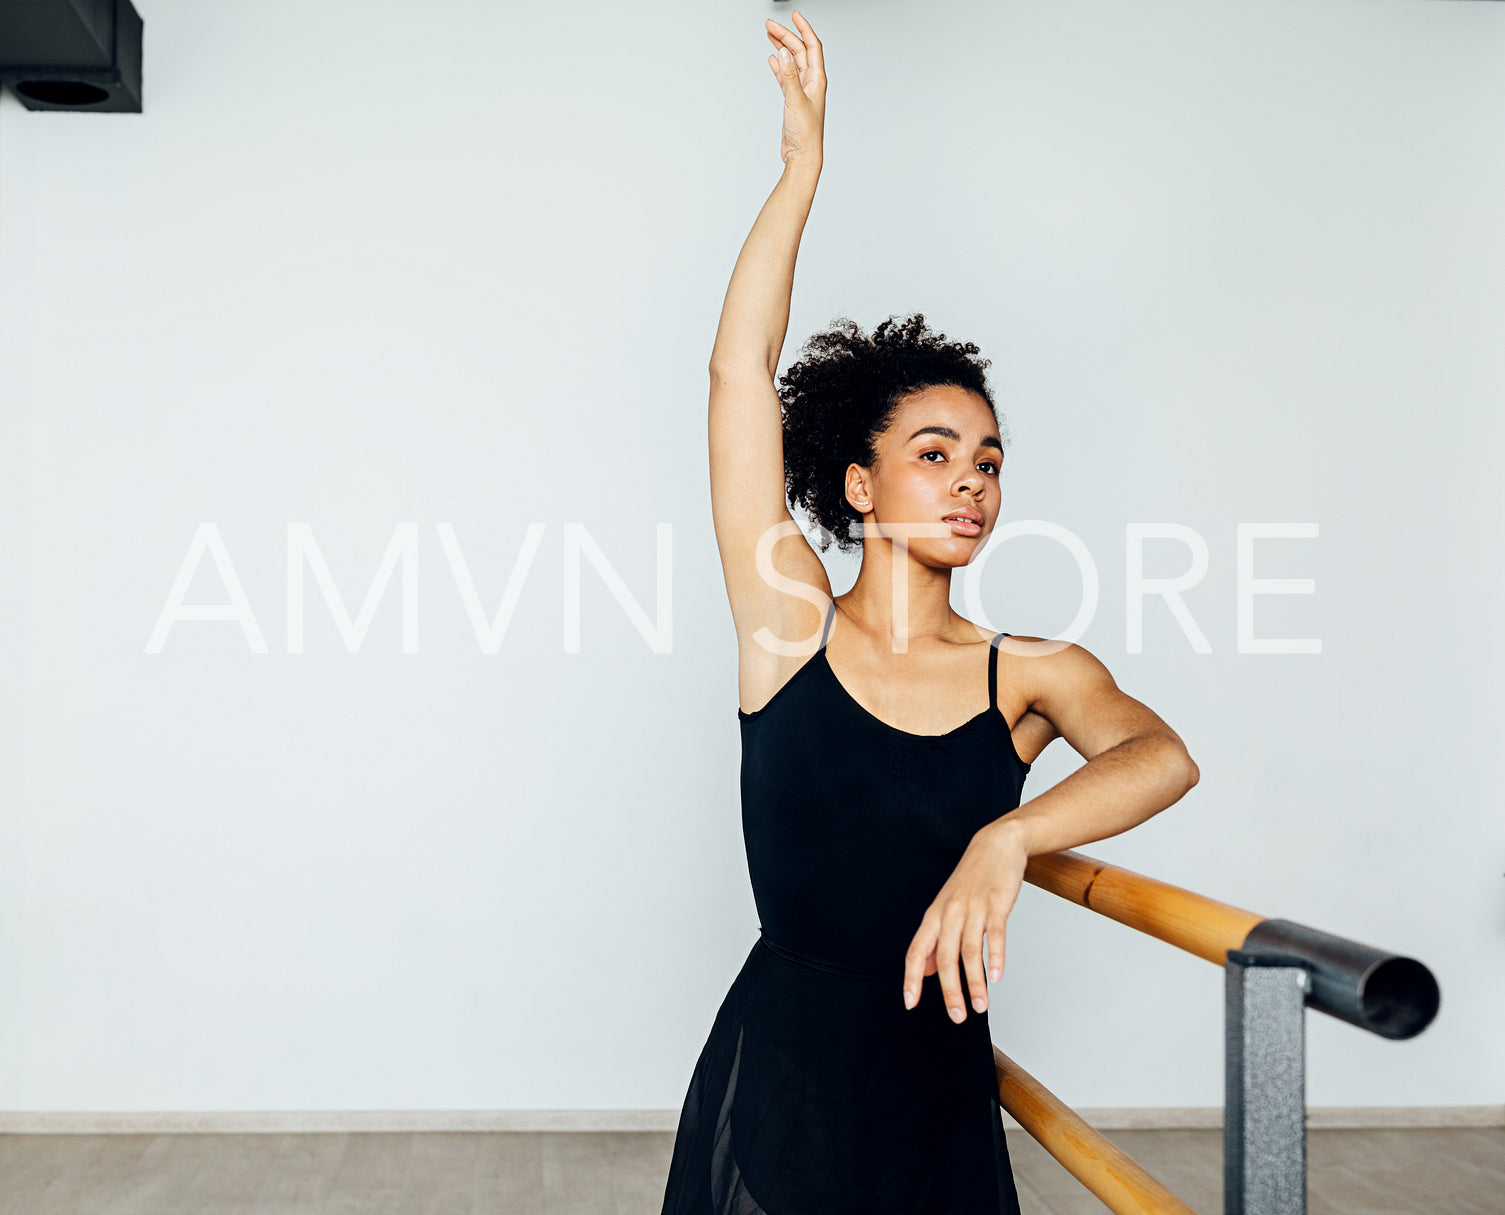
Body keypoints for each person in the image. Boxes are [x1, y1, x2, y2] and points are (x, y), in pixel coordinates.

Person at [660, 12, 1200, 1213]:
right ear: (857, 482)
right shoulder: (787, 620)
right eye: (936, 453)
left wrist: (1004, 839)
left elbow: (1161, 757)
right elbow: (737, 377)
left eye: (990, 461)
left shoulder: (1029, 673)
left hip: (936, 1088)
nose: (970, 481)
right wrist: (800, 170)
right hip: (786, 1075)